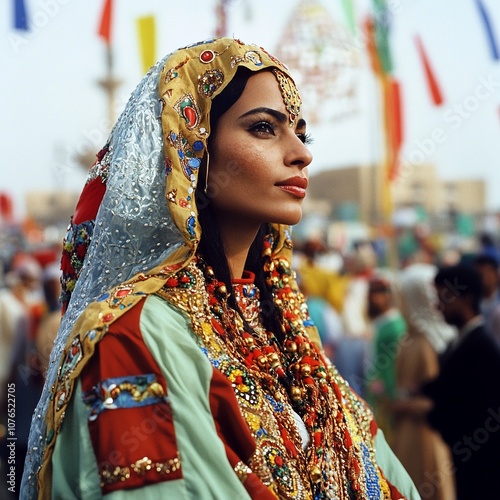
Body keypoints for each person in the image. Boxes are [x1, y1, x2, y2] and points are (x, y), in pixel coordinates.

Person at [22, 38, 419, 499]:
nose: (301, 154)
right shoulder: (130, 337)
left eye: (301, 134)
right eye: (265, 129)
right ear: (189, 151)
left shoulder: (284, 334)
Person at [423, 264, 500, 499]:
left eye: (445, 298)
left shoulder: (481, 347)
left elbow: (478, 411)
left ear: (466, 298)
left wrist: (431, 411)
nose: (438, 307)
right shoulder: (464, 343)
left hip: (483, 467)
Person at [393, 264, 456, 500]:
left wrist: (402, 405)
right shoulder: (413, 341)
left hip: (423, 438)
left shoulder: (425, 345)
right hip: (410, 435)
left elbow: (434, 401)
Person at [364, 274, 407, 446]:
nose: (373, 297)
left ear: (389, 295)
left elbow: (393, 362)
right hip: (374, 389)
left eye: (379, 292)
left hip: (386, 391)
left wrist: (386, 388)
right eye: (371, 292)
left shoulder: (395, 325)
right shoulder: (379, 322)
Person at [473, 253, 500, 344]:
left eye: (484, 273)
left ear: (496, 274)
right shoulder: (471, 301)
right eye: (478, 275)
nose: (481, 278)